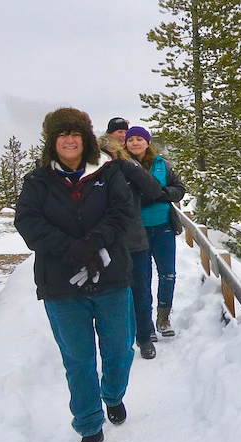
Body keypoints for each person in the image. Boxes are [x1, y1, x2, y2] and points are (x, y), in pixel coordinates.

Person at [14, 107, 136, 442]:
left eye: (75, 133)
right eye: (62, 134)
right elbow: (28, 222)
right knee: (78, 359)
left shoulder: (108, 173)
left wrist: (94, 242)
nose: (69, 139)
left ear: (85, 139)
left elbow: (122, 212)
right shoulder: (37, 181)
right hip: (62, 284)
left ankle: (112, 394)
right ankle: (89, 424)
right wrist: (70, 248)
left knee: (118, 350)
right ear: (52, 141)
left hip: (111, 276)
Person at [100, 117, 162, 359]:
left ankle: (144, 337)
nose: (120, 138)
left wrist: (129, 165)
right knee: (112, 297)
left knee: (141, 292)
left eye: (124, 136)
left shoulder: (130, 167)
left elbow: (154, 190)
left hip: (135, 241)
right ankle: (118, 342)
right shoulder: (94, 172)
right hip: (106, 244)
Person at [124, 125, 186, 341]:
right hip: (136, 231)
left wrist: (160, 194)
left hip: (163, 227)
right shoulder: (122, 165)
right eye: (131, 139)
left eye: (140, 139)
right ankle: (145, 324)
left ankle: (163, 317)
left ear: (147, 142)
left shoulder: (162, 165)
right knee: (141, 278)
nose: (135, 143)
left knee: (167, 273)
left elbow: (179, 190)